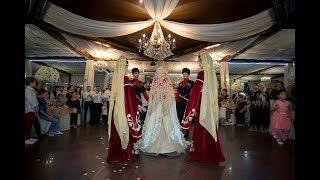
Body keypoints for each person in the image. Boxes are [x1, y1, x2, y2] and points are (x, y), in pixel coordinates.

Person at [135, 62, 189, 156]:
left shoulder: (167, 86)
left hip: (165, 106)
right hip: (158, 107)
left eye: (161, 74)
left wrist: (164, 103)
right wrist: (154, 104)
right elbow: (152, 97)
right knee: (155, 122)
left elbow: (171, 97)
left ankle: (169, 144)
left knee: (167, 122)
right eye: (158, 74)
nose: (160, 76)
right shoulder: (156, 86)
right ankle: (153, 143)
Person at [181, 54, 225, 164]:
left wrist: (191, 106)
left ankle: (201, 153)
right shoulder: (212, 75)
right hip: (210, 106)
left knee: (201, 128)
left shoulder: (201, 73)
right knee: (209, 128)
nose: (199, 63)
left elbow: (196, 92)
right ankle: (212, 153)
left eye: (199, 61)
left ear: (204, 62)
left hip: (202, 106)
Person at [107, 56, 142, 163]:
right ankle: (126, 153)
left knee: (115, 130)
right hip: (123, 109)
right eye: (126, 65)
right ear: (125, 65)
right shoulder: (125, 78)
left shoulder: (115, 78)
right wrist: (136, 106)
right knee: (124, 129)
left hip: (114, 109)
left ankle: (114, 153)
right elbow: (129, 96)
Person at [176, 68, 194, 139]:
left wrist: (190, 98)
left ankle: (187, 133)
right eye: (183, 74)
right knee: (180, 117)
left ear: (188, 74)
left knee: (187, 117)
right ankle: (181, 132)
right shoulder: (180, 84)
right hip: (180, 103)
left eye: (186, 74)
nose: (184, 75)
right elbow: (178, 93)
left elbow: (193, 93)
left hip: (187, 102)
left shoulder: (191, 83)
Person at [25, 77, 39, 145]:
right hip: (29, 110)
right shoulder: (27, 90)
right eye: (34, 82)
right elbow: (30, 99)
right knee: (27, 124)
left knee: (30, 124)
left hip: (33, 109)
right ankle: (26, 139)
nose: (35, 84)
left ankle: (29, 137)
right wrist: (35, 106)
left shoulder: (32, 90)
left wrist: (37, 106)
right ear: (30, 83)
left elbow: (35, 99)